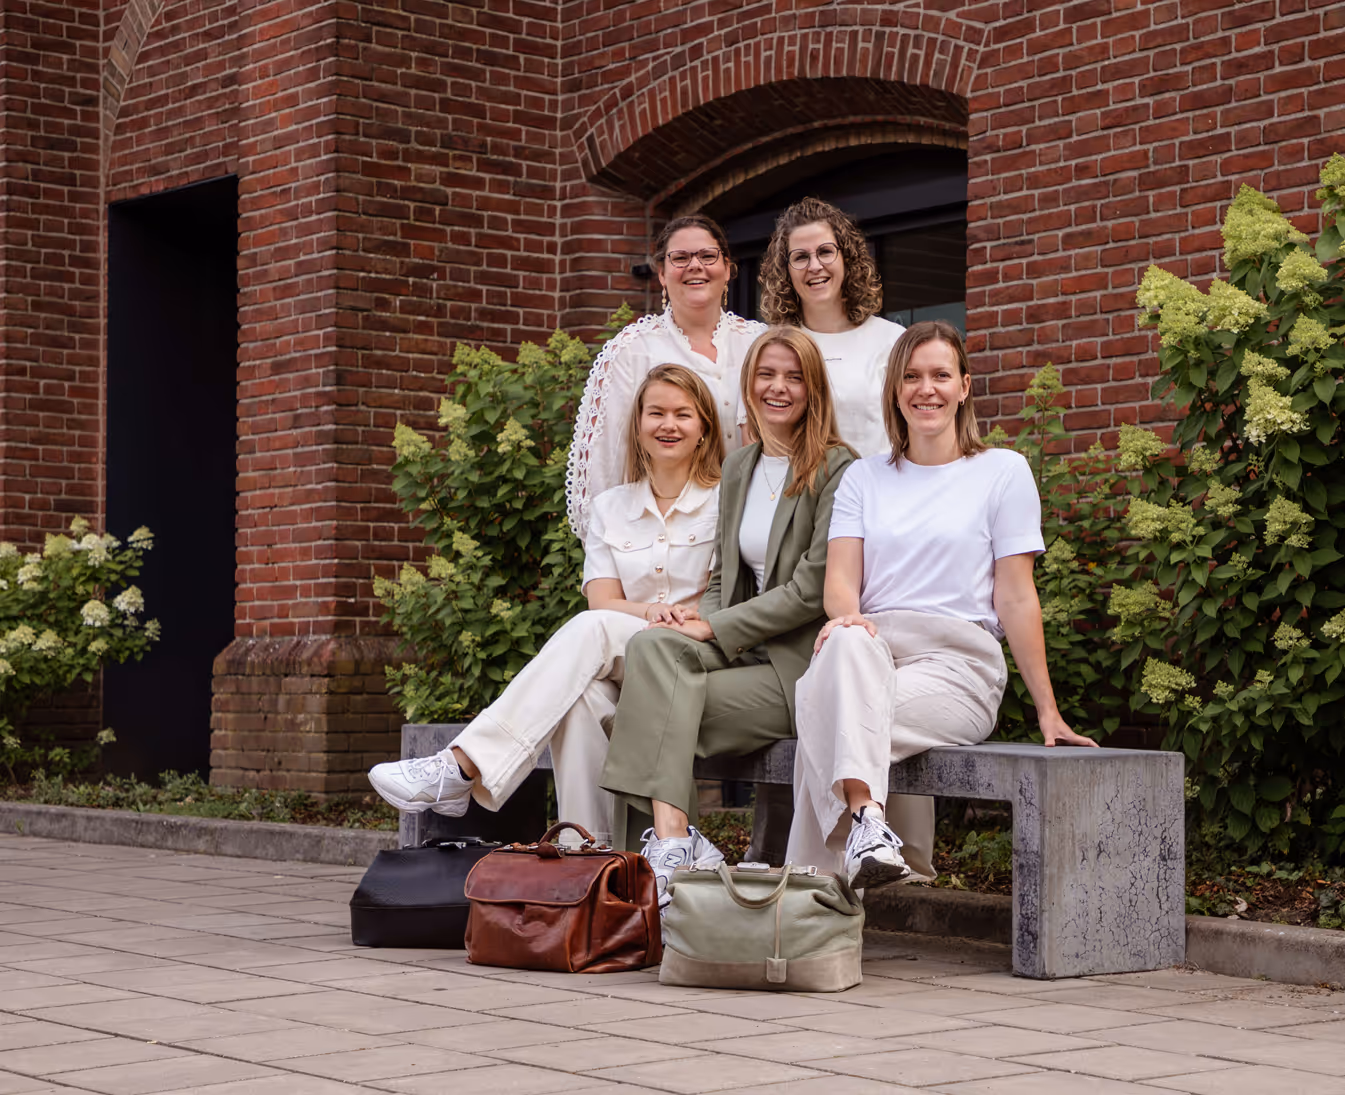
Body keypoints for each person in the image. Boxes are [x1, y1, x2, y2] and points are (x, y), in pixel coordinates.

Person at [785, 320, 1098, 886]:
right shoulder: (863, 478)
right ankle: (871, 829)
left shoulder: (1002, 472)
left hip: (958, 665)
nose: (925, 389)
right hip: (873, 649)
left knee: (825, 711)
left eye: (940, 375)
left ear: (964, 386)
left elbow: (1016, 596)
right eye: (911, 376)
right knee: (846, 643)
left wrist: (1047, 710)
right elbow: (840, 586)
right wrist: (848, 621)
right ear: (894, 390)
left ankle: (809, 896)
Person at [368, 365, 727, 847]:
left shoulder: (725, 501)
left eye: (683, 414)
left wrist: (672, 620)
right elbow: (602, 599)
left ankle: (461, 765)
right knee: (580, 700)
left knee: (591, 629)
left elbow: (719, 594)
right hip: (629, 651)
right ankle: (590, 855)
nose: (669, 424)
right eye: (656, 412)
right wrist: (649, 614)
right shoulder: (611, 507)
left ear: (704, 428)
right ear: (638, 425)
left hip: (692, 654)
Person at [599, 326, 856, 905]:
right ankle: (675, 845)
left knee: (642, 721)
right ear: (749, 384)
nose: (778, 387)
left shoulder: (837, 469)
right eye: (766, 375)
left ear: (813, 388)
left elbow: (811, 590)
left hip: (797, 667)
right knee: (650, 645)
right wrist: (701, 619)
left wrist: (714, 626)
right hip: (740, 649)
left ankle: (644, 881)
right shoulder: (739, 466)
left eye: (793, 377)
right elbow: (722, 577)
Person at [756, 196, 933, 878]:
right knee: (800, 670)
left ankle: (898, 847)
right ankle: (792, 852)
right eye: (798, 256)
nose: (814, 266)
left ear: (848, 257)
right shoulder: (773, 344)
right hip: (795, 523)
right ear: (783, 268)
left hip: (875, 524)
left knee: (876, 662)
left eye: (825, 251)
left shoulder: (888, 340)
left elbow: (909, 430)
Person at [566, 214, 765, 540]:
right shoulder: (633, 351)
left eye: (708, 256)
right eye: (680, 258)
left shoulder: (760, 344)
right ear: (661, 273)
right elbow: (604, 468)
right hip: (666, 539)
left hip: (754, 533)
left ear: (728, 268)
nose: (695, 266)